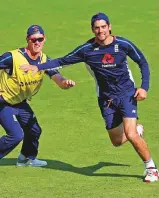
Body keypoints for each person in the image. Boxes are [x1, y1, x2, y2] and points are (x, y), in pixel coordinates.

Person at [20, 14, 158, 182]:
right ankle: (137, 131)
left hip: (127, 94)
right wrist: (38, 66)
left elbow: (142, 62)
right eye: (97, 28)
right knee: (116, 140)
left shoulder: (123, 44)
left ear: (109, 27)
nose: (100, 31)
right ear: (93, 30)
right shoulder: (87, 50)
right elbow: (64, 60)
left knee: (130, 133)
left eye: (103, 27)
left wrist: (144, 87)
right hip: (106, 99)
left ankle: (151, 168)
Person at [0, 25, 75, 167]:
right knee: (16, 135)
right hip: (3, 102)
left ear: (44, 39)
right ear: (27, 40)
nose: (37, 43)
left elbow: (58, 78)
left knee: (34, 130)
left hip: (20, 103)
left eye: (40, 39)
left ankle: (26, 158)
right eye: (33, 39)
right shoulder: (12, 57)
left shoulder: (45, 60)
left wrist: (65, 83)